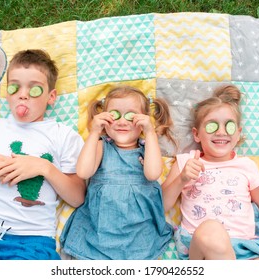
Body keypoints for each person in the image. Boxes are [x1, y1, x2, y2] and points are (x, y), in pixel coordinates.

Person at [0, 48, 85, 260]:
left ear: (50, 97)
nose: (22, 94)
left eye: (34, 89)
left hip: (34, 241)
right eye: (14, 87)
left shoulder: (63, 136)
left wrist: (45, 168)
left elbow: (77, 198)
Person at [162, 84, 259, 260]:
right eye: (212, 126)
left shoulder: (246, 166)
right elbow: (161, 205)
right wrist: (182, 179)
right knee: (211, 230)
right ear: (196, 134)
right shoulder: (186, 162)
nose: (221, 132)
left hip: (246, 248)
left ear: (238, 133)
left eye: (229, 126)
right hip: (202, 246)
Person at [60, 85, 175, 259]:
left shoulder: (147, 150)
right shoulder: (100, 146)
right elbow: (83, 172)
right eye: (114, 115)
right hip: (99, 230)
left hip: (139, 231)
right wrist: (94, 132)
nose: (122, 121)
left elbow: (152, 174)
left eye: (131, 116)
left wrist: (150, 132)